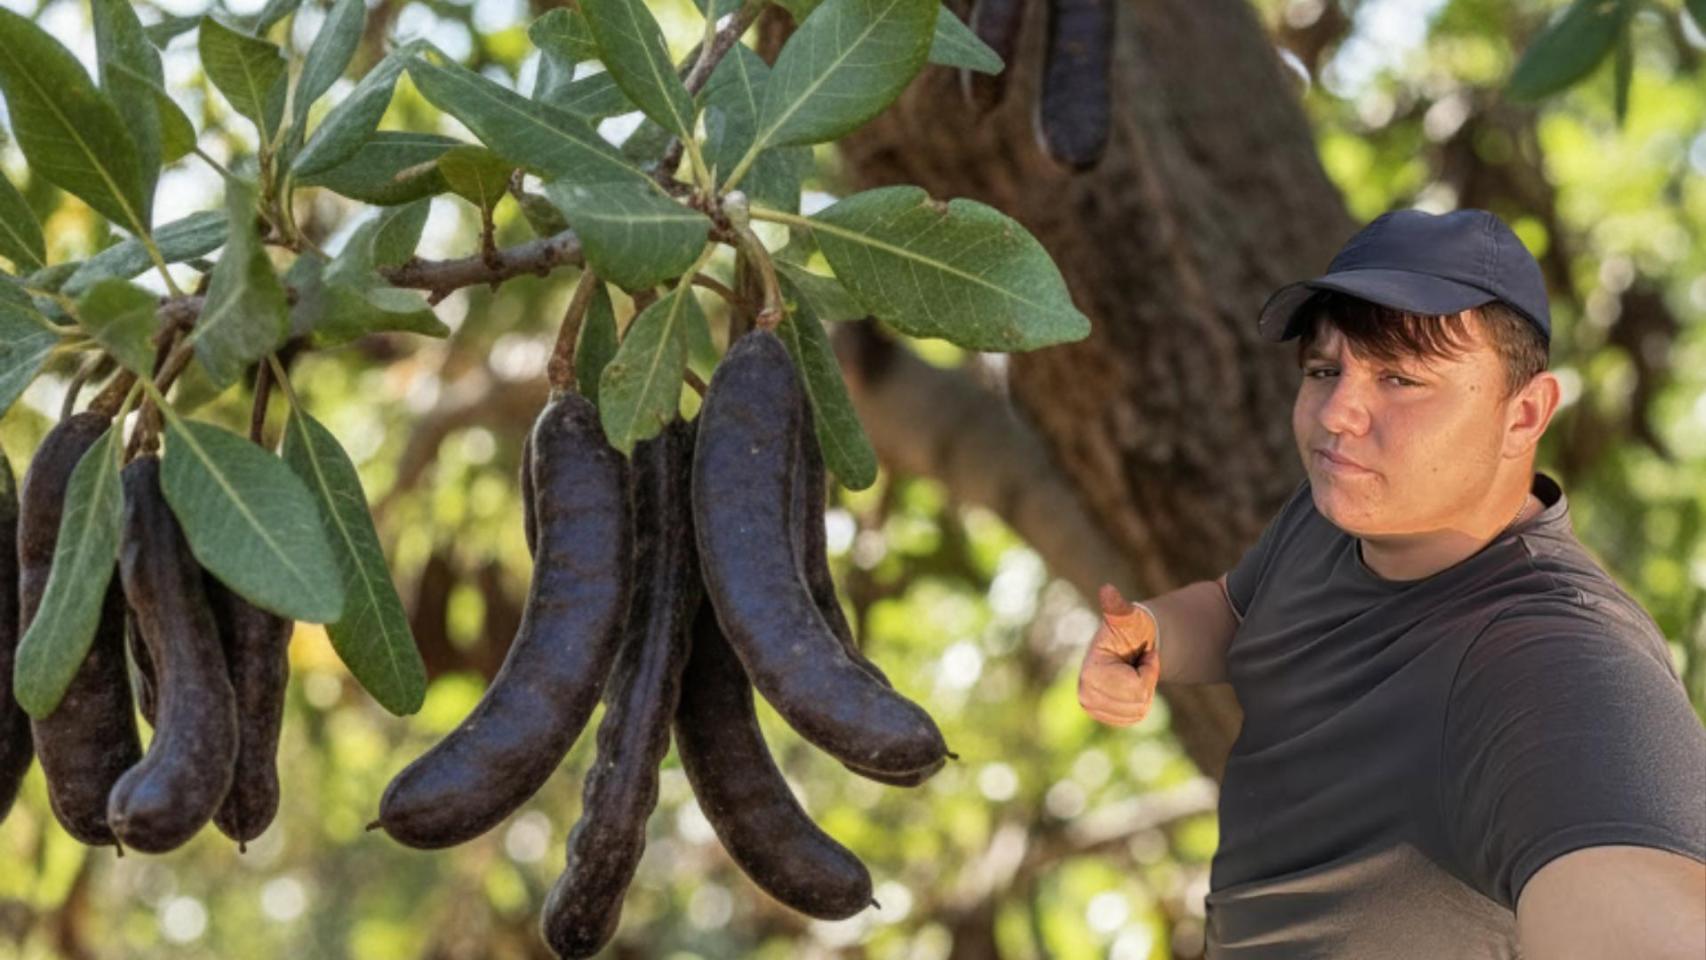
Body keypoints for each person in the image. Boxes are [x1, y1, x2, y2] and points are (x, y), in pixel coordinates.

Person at [1076, 208, 1706, 958]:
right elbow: (1238, 610)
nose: (1338, 413)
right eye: (1323, 370)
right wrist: (1158, 634)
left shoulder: (1557, 664)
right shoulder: (1333, 519)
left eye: (1401, 378)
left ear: (1524, 414)